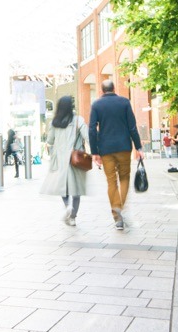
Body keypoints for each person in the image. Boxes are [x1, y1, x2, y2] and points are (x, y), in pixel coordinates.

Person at [88, 79, 144, 230]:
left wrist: (94, 152)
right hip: (124, 147)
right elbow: (132, 126)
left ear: (101, 90)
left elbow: (92, 129)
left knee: (111, 181)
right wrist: (138, 147)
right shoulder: (124, 102)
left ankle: (116, 214)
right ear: (114, 88)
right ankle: (120, 207)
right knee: (124, 177)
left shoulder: (96, 105)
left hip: (105, 149)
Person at [40, 96, 89, 226]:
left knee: (63, 187)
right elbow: (87, 136)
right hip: (76, 159)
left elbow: (50, 140)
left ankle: (67, 205)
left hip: (60, 160)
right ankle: (73, 217)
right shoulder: (79, 121)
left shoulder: (54, 122)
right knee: (76, 190)